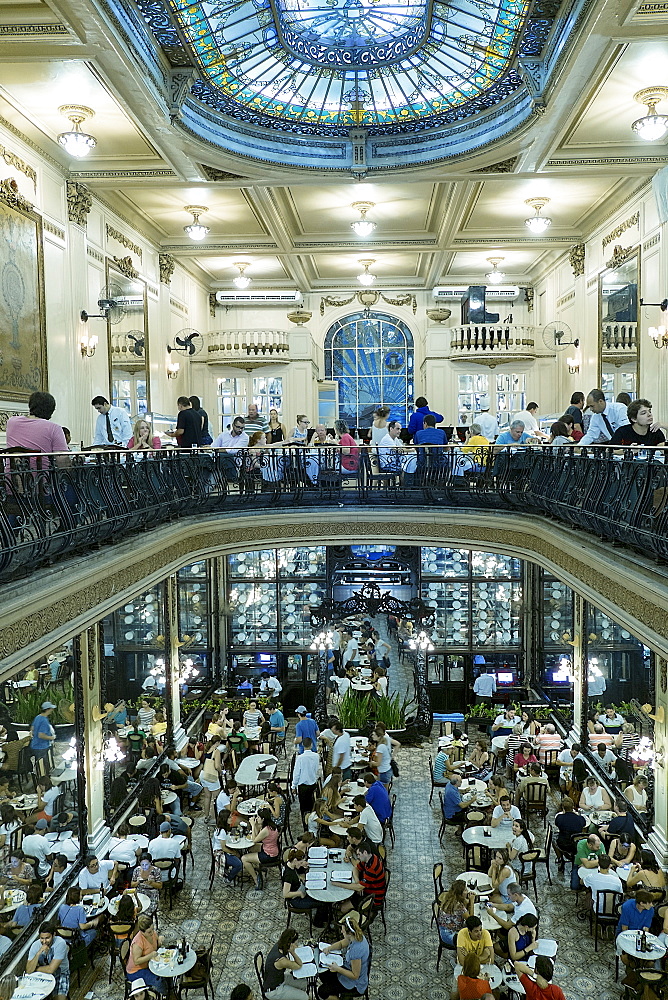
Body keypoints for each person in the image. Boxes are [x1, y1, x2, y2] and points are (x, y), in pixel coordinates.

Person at [317, 911, 369, 999]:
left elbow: (355, 975)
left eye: (343, 931)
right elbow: (341, 944)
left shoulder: (356, 951)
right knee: (323, 973)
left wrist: (338, 969)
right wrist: (329, 948)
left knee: (322, 991)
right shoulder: (355, 936)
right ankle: (334, 992)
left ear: (349, 933)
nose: (341, 932)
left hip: (354, 984)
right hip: (346, 969)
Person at [6, 392, 69, 457]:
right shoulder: (54, 428)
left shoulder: (11, 422)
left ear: (30, 406)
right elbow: (62, 460)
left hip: (13, 467)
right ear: (51, 410)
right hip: (43, 467)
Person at [26, 922, 70, 1000]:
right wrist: (38, 953)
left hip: (61, 973)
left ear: (53, 935)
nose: (44, 941)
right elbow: (29, 970)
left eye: (47, 938)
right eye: (42, 938)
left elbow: (51, 969)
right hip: (42, 975)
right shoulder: (35, 946)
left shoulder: (60, 943)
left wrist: (35, 968)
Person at [262, 927, 309, 1000]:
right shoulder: (282, 961)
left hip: (279, 978)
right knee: (305, 997)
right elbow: (299, 965)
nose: (296, 946)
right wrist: (293, 952)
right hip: (274, 990)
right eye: (295, 944)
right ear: (290, 944)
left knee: (304, 983)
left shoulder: (279, 945)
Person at [126, 913, 164, 993]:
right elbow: (136, 961)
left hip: (149, 964)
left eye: (153, 929)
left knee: (166, 973)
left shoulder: (152, 933)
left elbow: (157, 941)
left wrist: (160, 940)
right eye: (149, 932)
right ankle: (164, 996)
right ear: (142, 932)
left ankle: (169, 991)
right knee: (159, 980)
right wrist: (151, 955)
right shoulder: (138, 942)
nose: (152, 933)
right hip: (136, 971)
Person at [436, 879, 473, 946]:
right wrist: (472, 901)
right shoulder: (458, 905)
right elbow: (471, 921)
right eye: (465, 890)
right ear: (460, 894)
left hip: (445, 928)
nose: (467, 891)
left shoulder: (449, 897)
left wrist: (466, 901)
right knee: (474, 936)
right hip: (449, 935)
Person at [292, 736, 322, 815]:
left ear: (302, 745)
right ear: (311, 745)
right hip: (313, 784)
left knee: (304, 808)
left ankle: (305, 824)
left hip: (303, 786)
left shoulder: (300, 758)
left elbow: (296, 773)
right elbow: (316, 769)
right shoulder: (316, 756)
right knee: (312, 806)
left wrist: (293, 786)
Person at [553, 797, 586, 870]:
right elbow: (584, 824)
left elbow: (557, 824)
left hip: (563, 844)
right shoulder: (580, 819)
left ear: (563, 807)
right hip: (576, 844)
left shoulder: (559, 817)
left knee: (553, 837)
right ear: (573, 807)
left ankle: (560, 859)